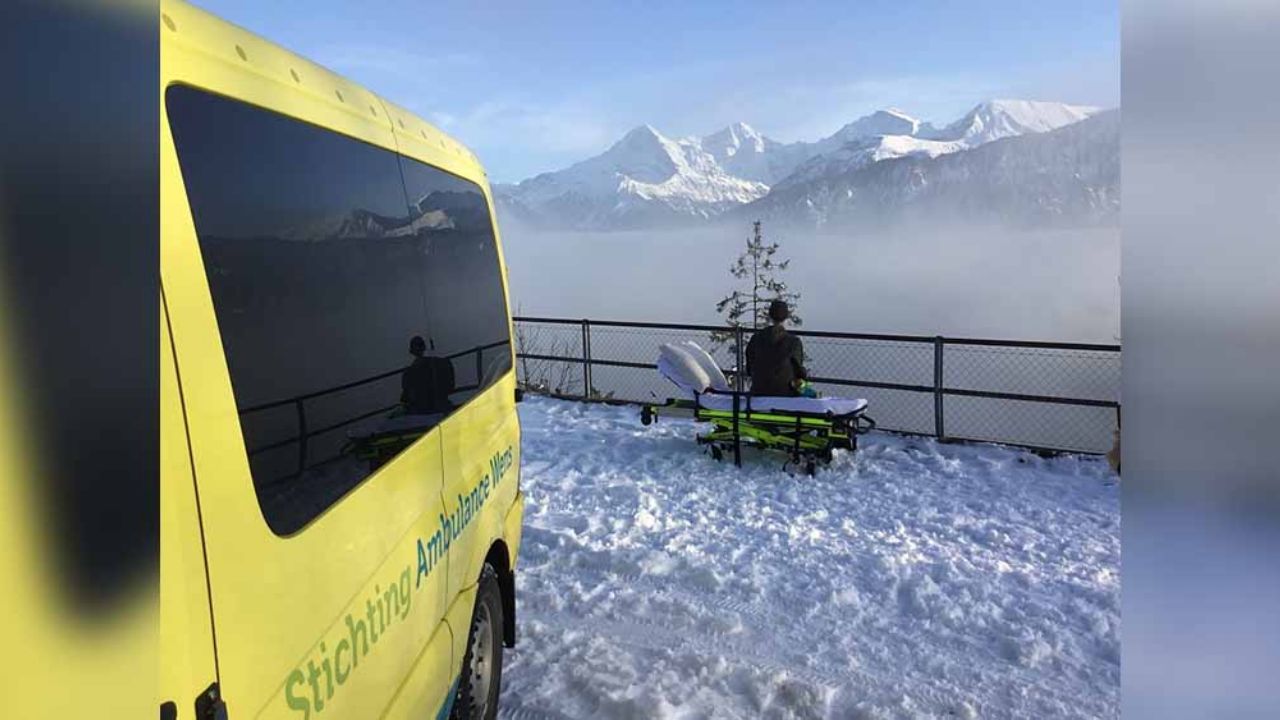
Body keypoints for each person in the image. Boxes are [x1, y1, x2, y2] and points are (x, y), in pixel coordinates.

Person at [745, 299, 808, 397]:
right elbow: (799, 371)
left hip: (758, 390)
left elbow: (749, 368)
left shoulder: (756, 338)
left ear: (770, 315)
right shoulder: (793, 342)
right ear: (787, 317)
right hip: (784, 393)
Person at [401, 335, 455, 414]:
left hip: (423, 407)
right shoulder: (441, 363)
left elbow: (406, 396)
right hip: (439, 404)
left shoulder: (410, 371)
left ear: (412, 351)